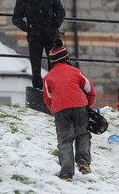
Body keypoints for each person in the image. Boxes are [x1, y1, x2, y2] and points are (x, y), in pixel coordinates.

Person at [43, 39, 97, 181]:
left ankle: (66, 172)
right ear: (67, 58)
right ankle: (83, 161)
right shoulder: (76, 72)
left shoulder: (48, 77)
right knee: (82, 135)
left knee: (65, 141)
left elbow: (47, 98)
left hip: (61, 110)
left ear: (53, 62)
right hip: (80, 107)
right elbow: (90, 89)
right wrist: (88, 105)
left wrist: (53, 109)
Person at [13, 0, 66, 90]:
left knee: (55, 63)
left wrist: (55, 24)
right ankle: (38, 91)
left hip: (51, 35)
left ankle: (55, 88)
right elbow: (16, 18)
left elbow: (61, 11)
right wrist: (29, 28)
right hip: (34, 37)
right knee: (35, 66)